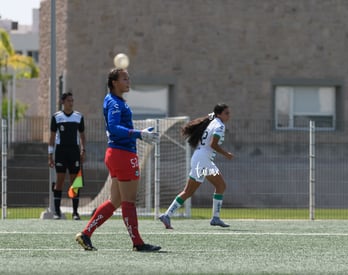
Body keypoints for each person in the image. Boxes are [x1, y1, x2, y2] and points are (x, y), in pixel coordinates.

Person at [75, 68, 161, 252]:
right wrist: (139, 134)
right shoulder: (114, 102)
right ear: (114, 82)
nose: (128, 81)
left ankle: (86, 234)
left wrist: (138, 135)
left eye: (129, 78)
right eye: (124, 78)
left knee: (114, 201)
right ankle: (137, 242)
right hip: (122, 154)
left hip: (117, 153)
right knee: (128, 201)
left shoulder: (116, 101)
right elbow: (114, 127)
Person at [159, 103, 233, 229]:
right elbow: (213, 145)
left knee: (189, 191)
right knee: (220, 186)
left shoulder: (212, 122)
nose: (229, 115)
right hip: (203, 161)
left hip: (199, 158)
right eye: (226, 113)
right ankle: (215, 218)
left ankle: (167, 215)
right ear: (219, 114)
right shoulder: (219, 126)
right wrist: (226, 154)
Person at [48, 92, 86, 220]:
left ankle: (75, 212)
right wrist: (50, 154)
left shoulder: (78, 117)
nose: (71, 103)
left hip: (74, 152)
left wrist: (83, 150)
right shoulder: (56, 117)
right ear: (63, 102)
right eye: (69, 100)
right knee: (60, 181)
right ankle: (57, 212)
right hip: (61, 152)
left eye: (72, 100)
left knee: (75, 182)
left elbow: (82, 135)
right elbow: (52, 137)